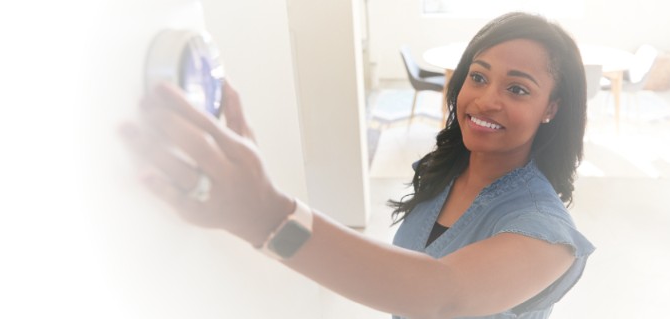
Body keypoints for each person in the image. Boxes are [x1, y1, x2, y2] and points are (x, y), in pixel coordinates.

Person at [119, 12, 593, 319]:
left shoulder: (546, 234)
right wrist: (247, 210)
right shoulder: (448, 171)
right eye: (479, 76)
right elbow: (394, 270)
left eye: (517, 89)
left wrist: (268, 215)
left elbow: (443, 294)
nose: (485, 100)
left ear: (552, 108)